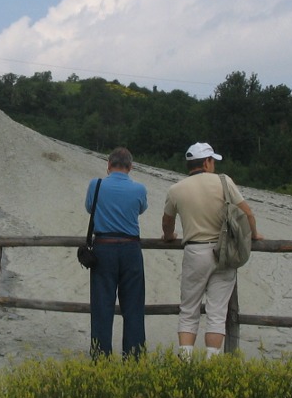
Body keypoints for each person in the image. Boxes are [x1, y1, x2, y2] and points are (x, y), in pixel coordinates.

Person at [161, 142, 262, 359]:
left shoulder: (176, 189)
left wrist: (169, 237)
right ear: (206, 162)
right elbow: (247, 213)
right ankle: (211, 364)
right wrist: (254, 235)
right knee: (217, 312)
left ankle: (185, 362)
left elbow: (167, 221)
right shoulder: (224, 182)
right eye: (212, 160)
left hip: (194, 252)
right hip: (223, 252)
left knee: (189, 310)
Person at [85, 147, 148, 359]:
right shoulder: (139, 188)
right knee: (134, 307)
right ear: (130, 167)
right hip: (131, 248)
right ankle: (133, 358)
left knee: (102, 306)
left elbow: (89, 208)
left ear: (108, 165)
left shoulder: (96, 185)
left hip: (103, 247)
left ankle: (100, 358)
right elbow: (141, 209)